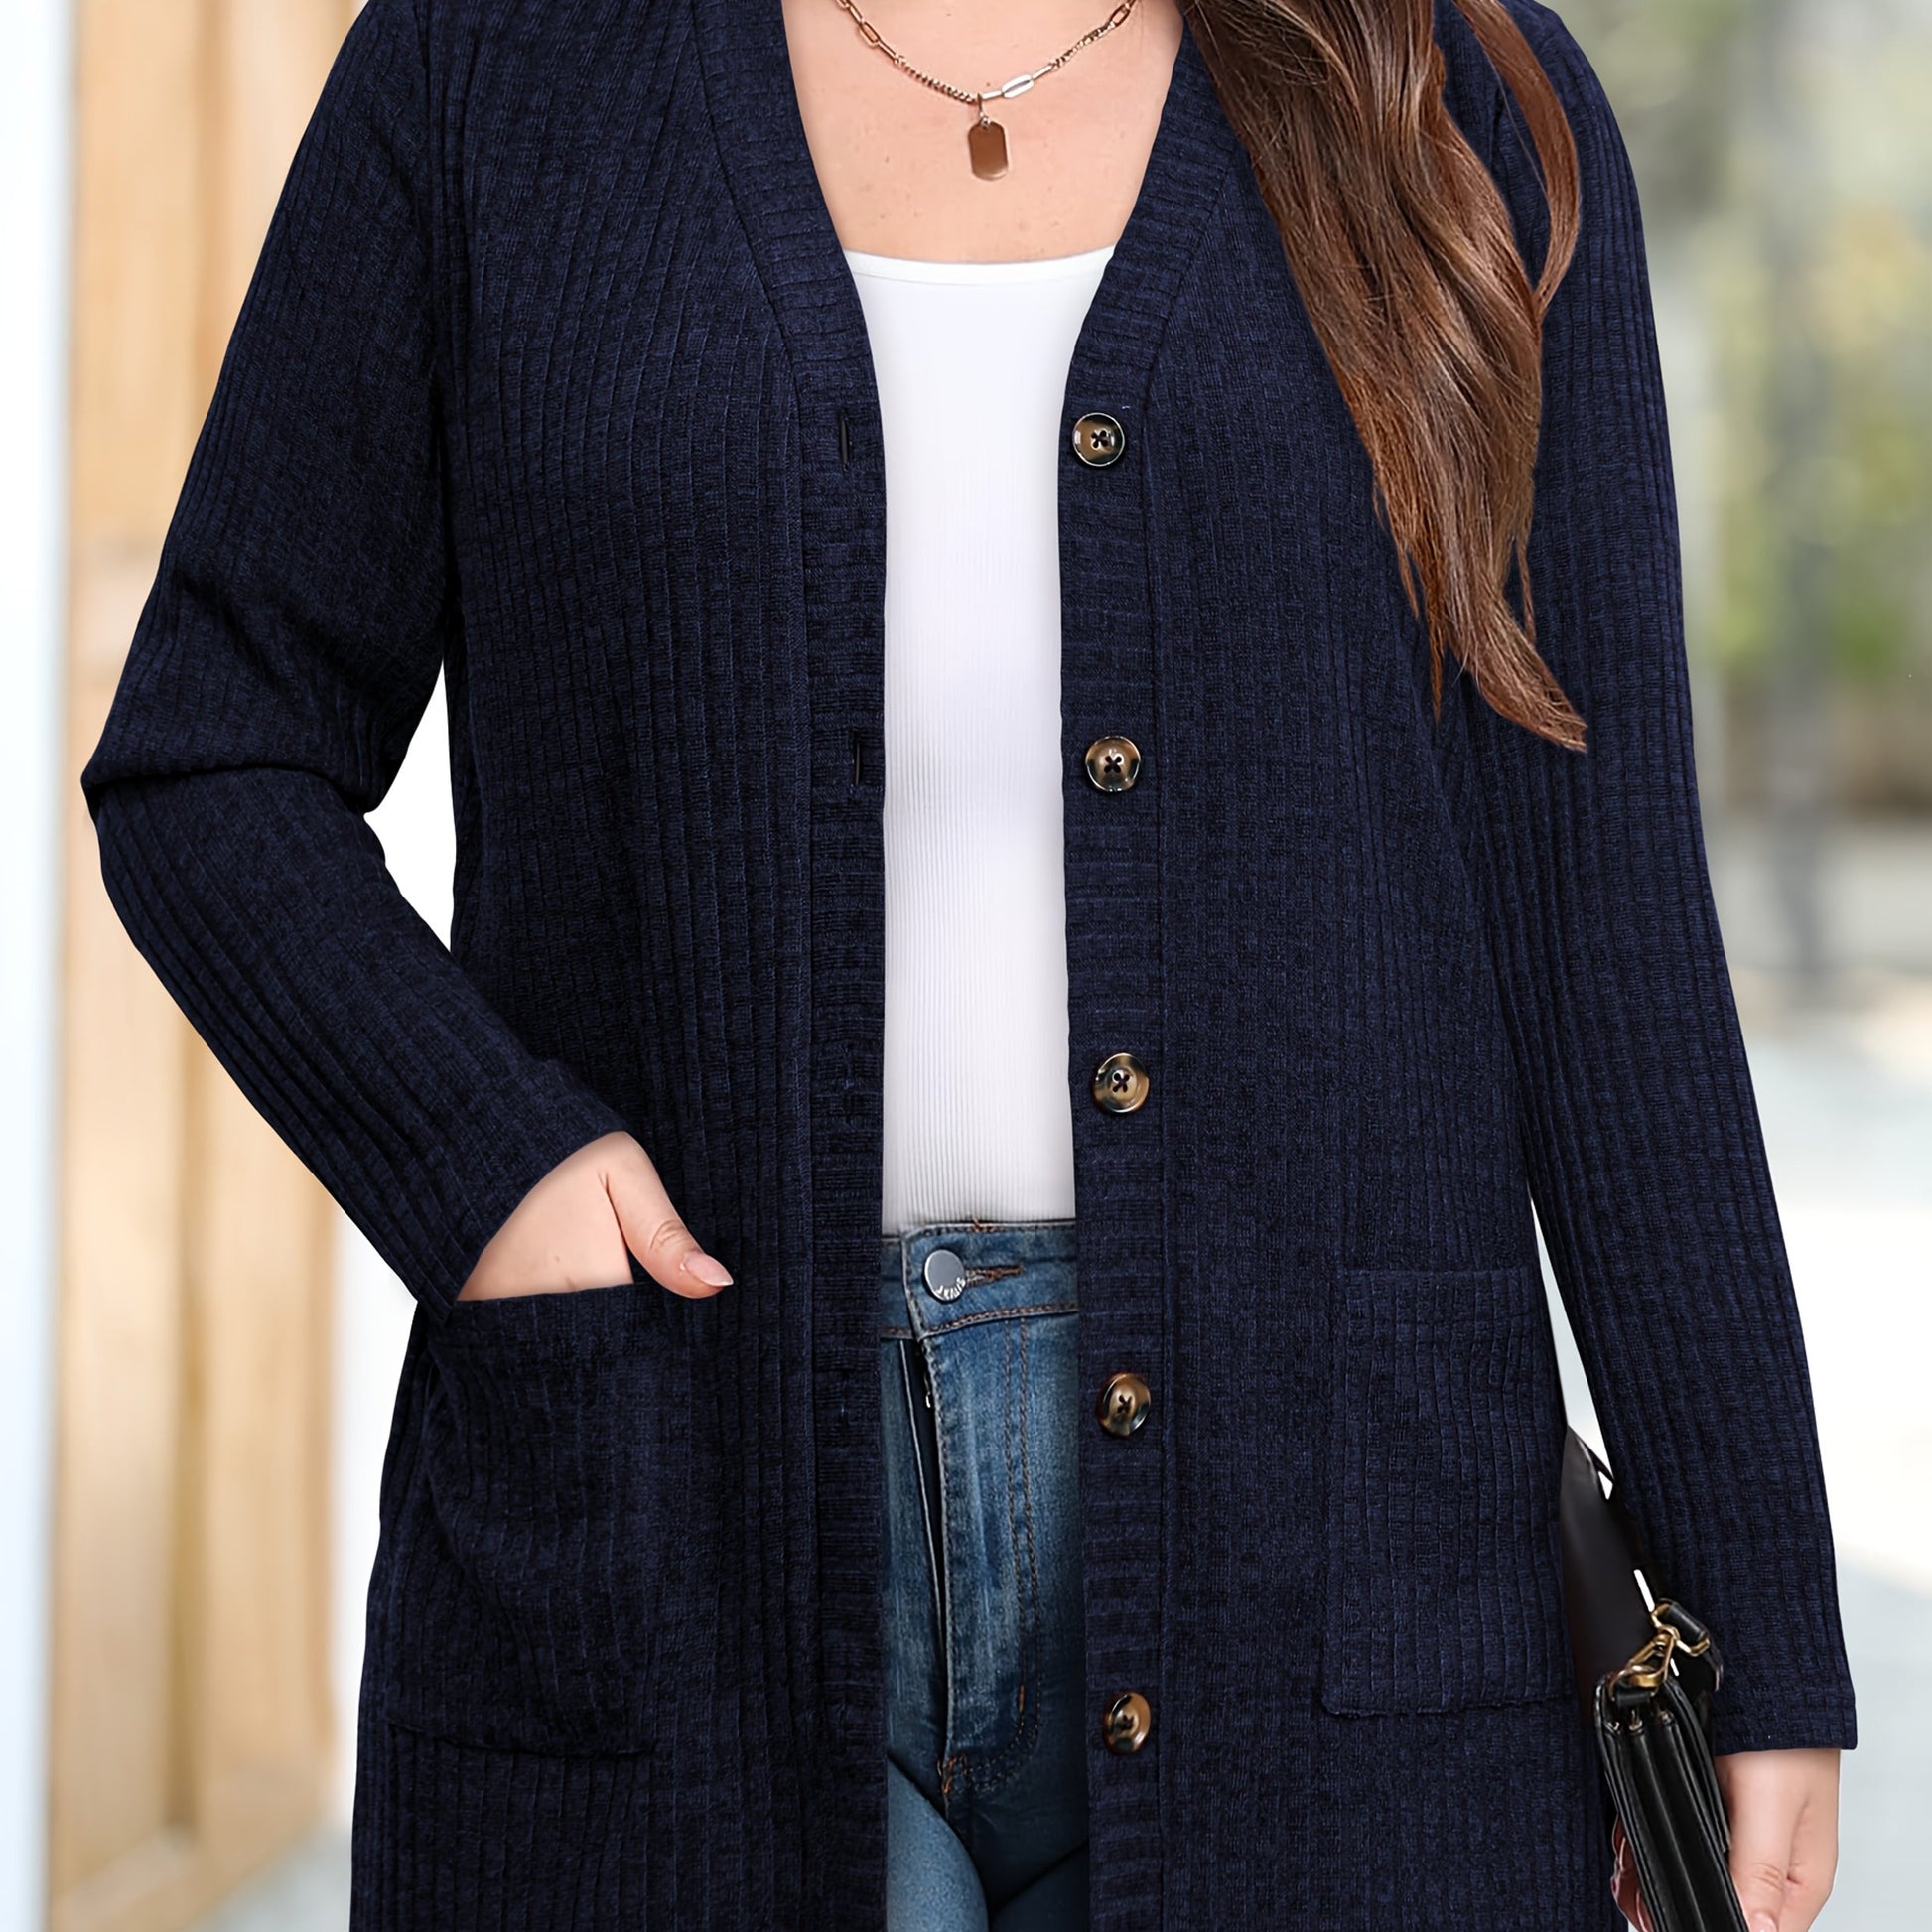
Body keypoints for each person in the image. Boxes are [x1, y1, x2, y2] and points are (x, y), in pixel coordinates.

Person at [78, 0, 1855, 1926]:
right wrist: (487, 1165)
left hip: (1323, 1536)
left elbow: (1604, 926)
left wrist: (1756, 1605)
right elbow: (213, 752)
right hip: (677, 1485)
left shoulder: (1453, 95)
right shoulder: (492, 69)